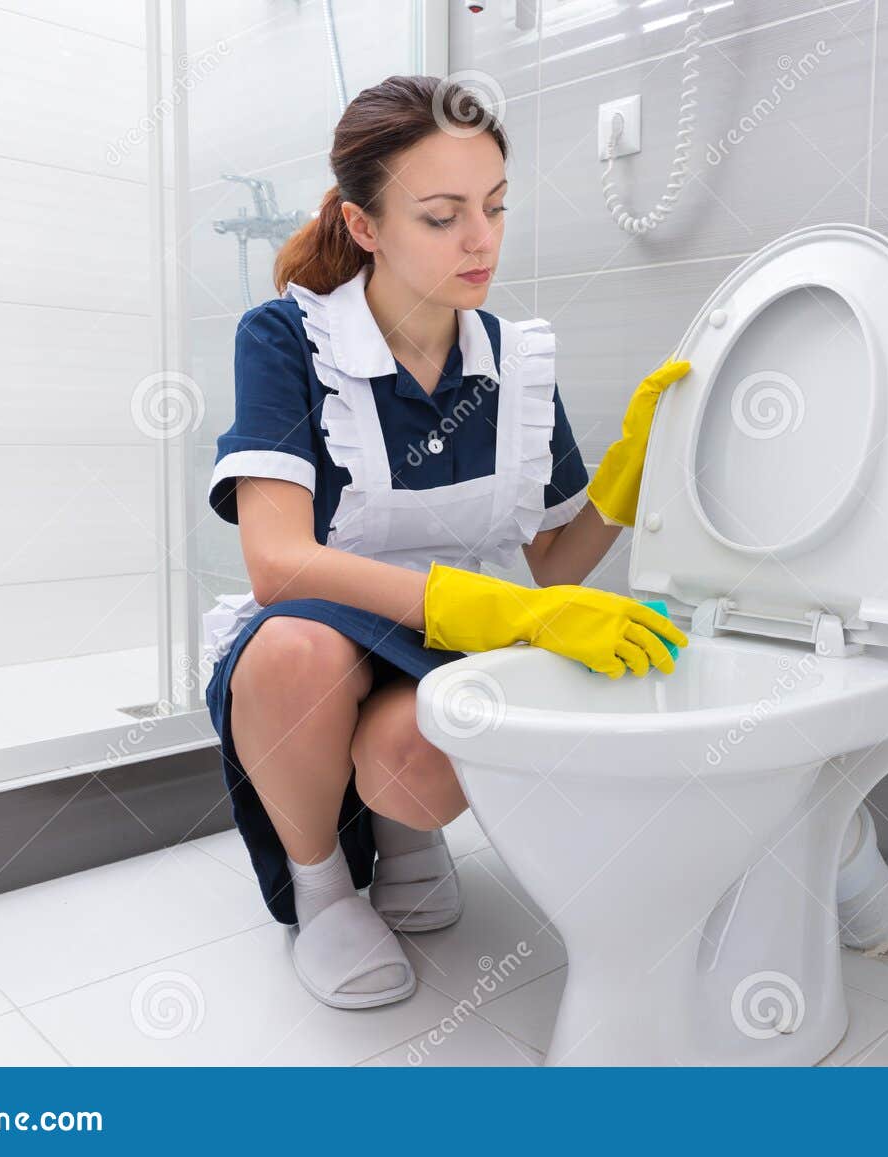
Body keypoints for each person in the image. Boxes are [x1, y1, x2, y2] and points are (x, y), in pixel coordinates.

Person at [200, 75, 690, 1009]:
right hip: (324, 648)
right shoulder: (287, 339)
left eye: (496, 208)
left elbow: (545, 564)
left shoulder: (515, 360)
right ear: (366, 225)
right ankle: (324, 889)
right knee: (294, 647)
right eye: (441, 216)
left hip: (436, 653)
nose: (481, 240)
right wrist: (494, 609)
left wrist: (623, 485)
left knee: (416, 769)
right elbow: (278, 562)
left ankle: (406, 839)